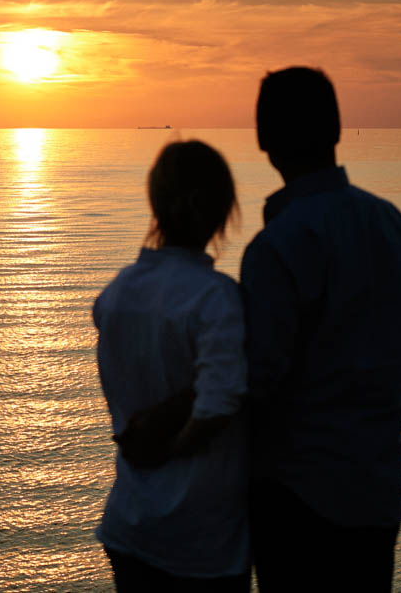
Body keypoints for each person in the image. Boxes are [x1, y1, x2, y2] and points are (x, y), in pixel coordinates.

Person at [239, 67, 401, 592]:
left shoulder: (277, 246)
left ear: (262, 138)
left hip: (295, 499)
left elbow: (258, 381)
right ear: (337, 129)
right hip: (377, 490)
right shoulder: (392, 224)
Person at [92, 140, 250, 592]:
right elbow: (219, 404)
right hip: (199, 541)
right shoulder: (216, 298)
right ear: (223, 211)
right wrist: (171, 447)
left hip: (129, 522)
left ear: (155, 204)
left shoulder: (116, 294)